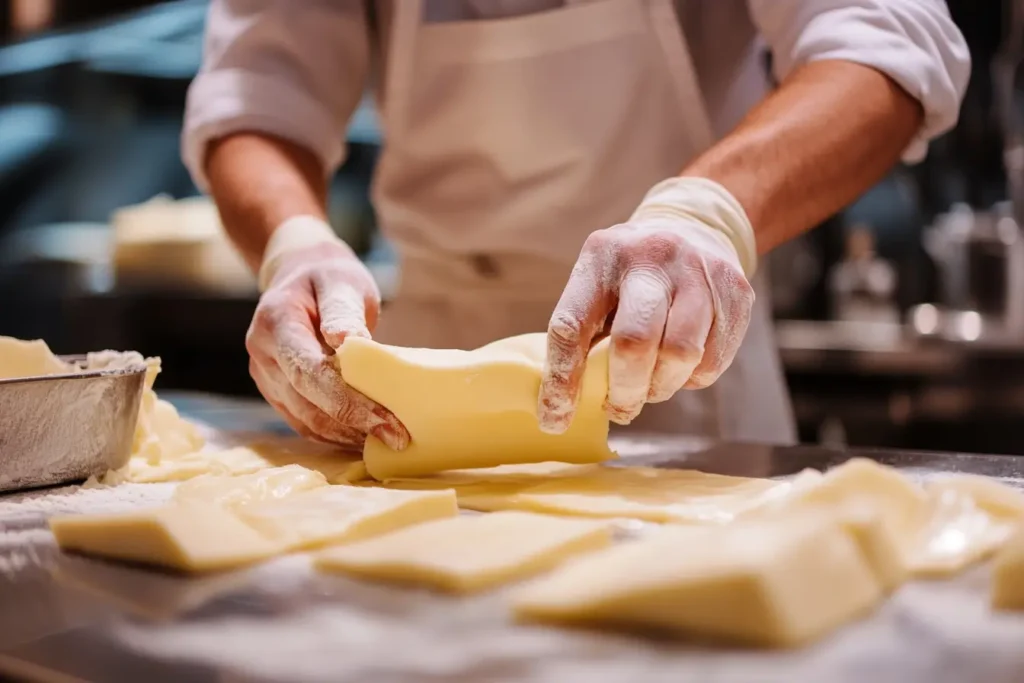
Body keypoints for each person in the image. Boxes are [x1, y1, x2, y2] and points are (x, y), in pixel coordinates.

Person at [182, 0, 969, 451]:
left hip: (679, 376)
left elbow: (885, 46)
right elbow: (256, 94)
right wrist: (294, 241)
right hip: (405, 397)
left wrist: (704, 213)